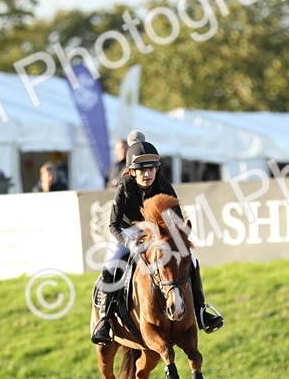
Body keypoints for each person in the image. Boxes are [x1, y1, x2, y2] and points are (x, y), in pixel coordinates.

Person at [91, 131, 224, 345]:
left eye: (151, 168)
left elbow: (178, 223)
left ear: (157, 169)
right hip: (130, 234)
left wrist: (178, 241)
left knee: (193, 261)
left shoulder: (163, 185)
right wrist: (130, 243)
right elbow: (114, 225)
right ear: (132, 172)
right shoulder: (124, 187)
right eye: (141, 169)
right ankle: (105, 320)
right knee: (111, 265)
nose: (147, 174)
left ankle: (201, 312)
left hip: (159, 237)